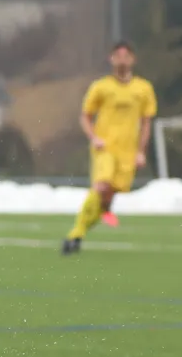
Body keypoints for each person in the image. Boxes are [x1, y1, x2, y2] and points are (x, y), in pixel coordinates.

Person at [62, 41, 156, 255]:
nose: (122, 60)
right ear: (111, 59)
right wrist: (94, 138)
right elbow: (85, 116)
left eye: (126, 56)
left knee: (106, 197)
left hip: (127, 152)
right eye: (118, 56)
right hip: (105, 148)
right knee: (101, 186)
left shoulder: (144, 88)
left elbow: (146, 123)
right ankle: (75, 235)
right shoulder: (100, 87)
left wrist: (141, 152)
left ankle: (95, 218)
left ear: (133, 60)